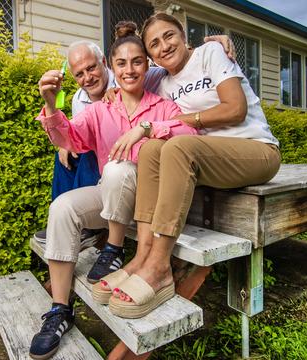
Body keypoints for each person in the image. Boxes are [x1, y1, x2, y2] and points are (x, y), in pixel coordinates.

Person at [29, 21, 198, 360]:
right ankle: (60, 309)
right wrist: (50, 105)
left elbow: (190, 137)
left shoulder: (162, 105)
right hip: (112, 197)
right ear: (114, 66)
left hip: (151, 200)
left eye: (137, 61)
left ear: (146, 65)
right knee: (63, 207)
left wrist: (149, 130)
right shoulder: (100, 109)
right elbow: (70, 139)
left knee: (120, 167)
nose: (130, 69)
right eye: (122, 63)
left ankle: (114, 250)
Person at [103, 12, 281, 319]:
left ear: (184, 35)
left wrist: (156, 124)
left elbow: (236, 109)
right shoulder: (160, 77)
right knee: (152, 150)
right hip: (211, 158)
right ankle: (143, 254)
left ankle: (160, 267)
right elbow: (128, 76)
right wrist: (111, 90)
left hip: (256, 151)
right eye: (154, 44)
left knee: (176, 143)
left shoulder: (210, 53)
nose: (163, 46)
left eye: (169, 36)